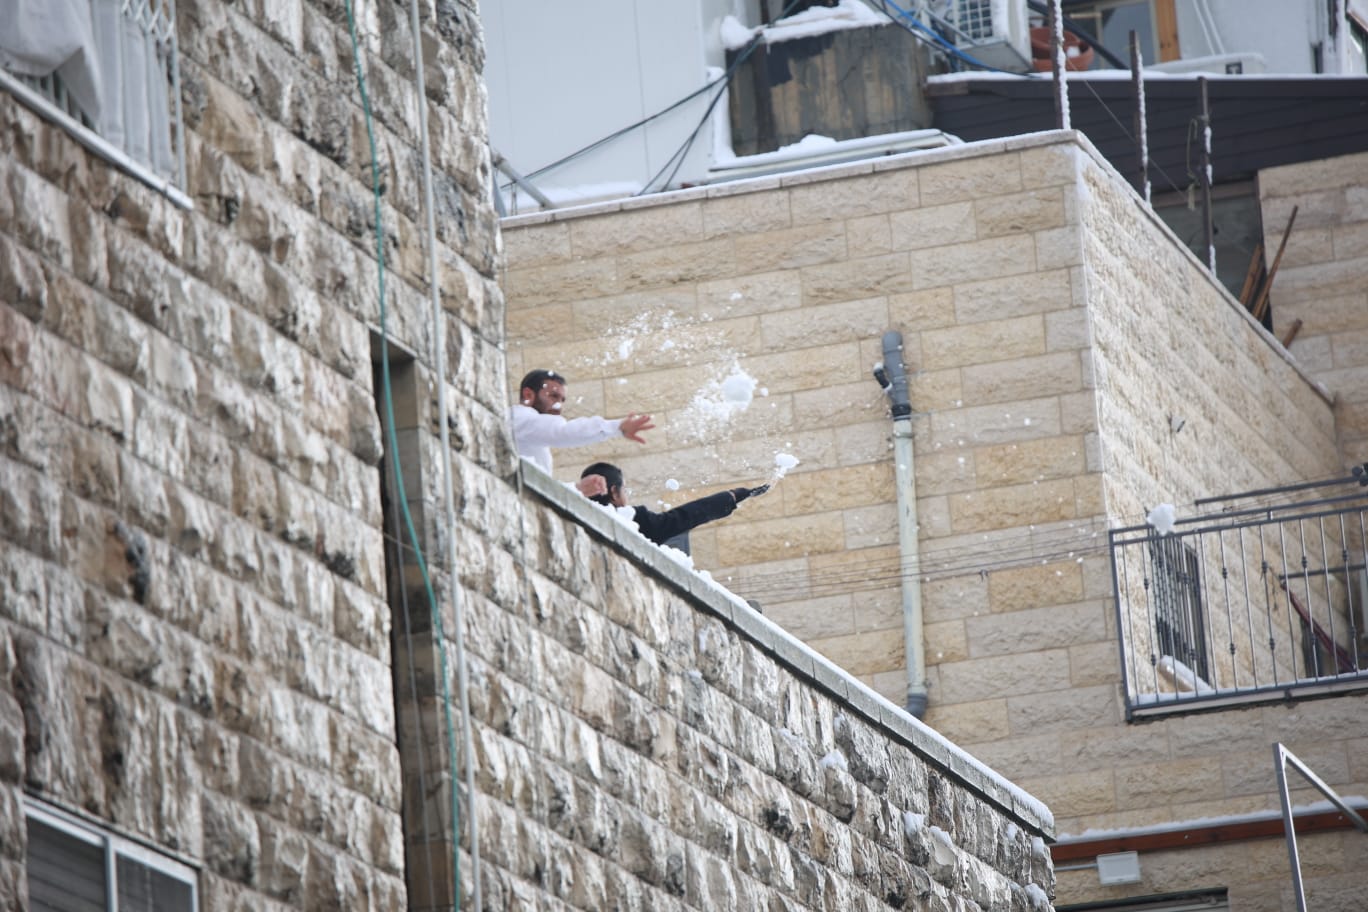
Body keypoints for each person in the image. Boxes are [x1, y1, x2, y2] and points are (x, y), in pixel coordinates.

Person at [580, 462, 769, 551]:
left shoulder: (578, 523)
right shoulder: (633, 522)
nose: (626, 497)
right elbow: (682, 518)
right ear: (614, 492)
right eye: (624, 490)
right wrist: (730, 497)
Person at [510, 369, 654, 474]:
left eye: (562, 400)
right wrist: (616, 427)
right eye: (553, 396)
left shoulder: (528, 426)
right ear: (528, 394)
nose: (559, 406)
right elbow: (563, 432)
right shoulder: (520, 417)